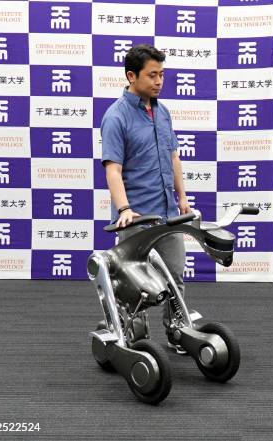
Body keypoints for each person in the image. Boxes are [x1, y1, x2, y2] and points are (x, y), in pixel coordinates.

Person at [100, 44, 191, 350]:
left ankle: (177, 332)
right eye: (152, 75)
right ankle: (132, 340)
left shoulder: (162, 112)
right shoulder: (116, 117)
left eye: (162, 75)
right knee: (133, 288)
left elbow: (173, 157)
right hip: (137, 218)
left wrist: (183, 198)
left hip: (167, 214)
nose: (159, 81)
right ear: (131, 76)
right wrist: (124, 208)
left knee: (175, 277)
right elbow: (113, 169)